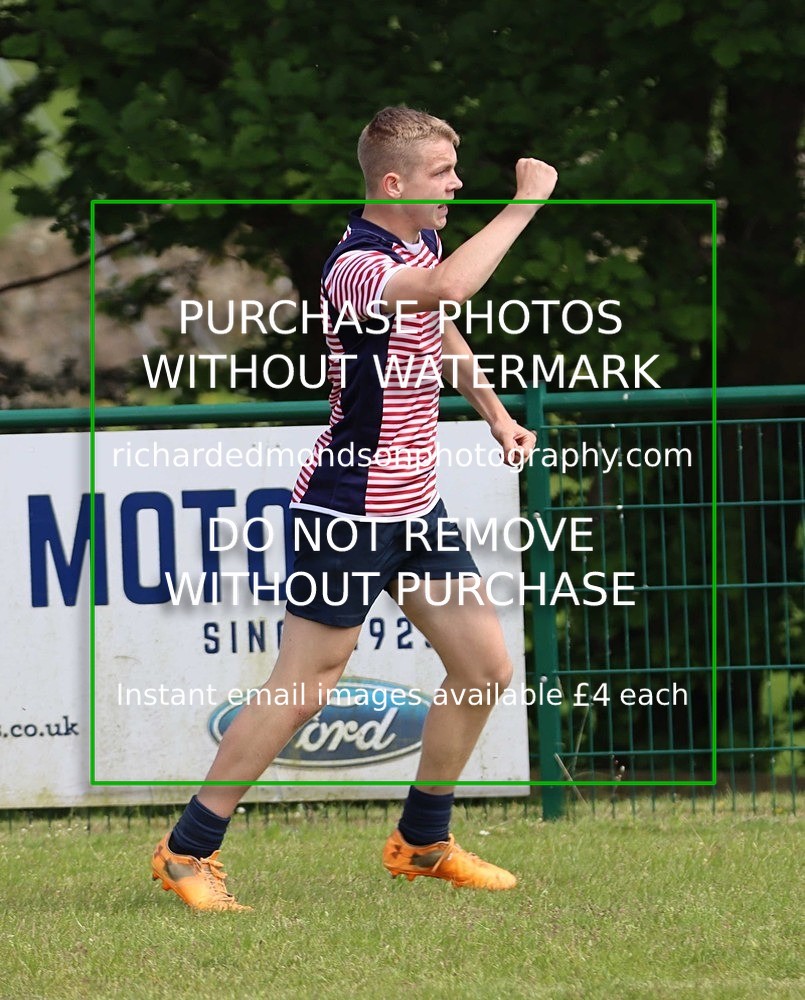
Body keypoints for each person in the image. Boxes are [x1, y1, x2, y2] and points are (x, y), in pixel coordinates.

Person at [151, 106, 557, 911]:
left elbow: (439, 322)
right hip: (350, 504)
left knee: (482, 669)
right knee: (304, 686)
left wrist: (494, 411)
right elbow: (447, 288)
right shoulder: (355, 266)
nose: (458, 184)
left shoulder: (419, 242)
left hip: (414, 501)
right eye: (445, 173)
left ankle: (422, 842)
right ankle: (185, 851)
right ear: (395, 182)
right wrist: (525, 203)